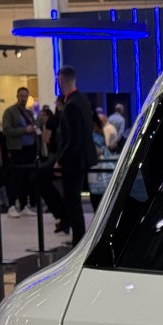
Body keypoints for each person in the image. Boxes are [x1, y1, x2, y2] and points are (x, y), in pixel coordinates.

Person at [38, 67, 97, 243]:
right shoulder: (83, 101)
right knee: (72, 199)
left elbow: (73, 139)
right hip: (80, 158)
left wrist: (61, 162)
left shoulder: (71, 105)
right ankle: (68, 224)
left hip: (73, 160)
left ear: (61, 81)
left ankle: (74, 233)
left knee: (72, 201)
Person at [2, 87, 37, 217]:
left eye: (25, 96)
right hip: (17, 149)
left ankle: (24, 205)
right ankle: (11, 205)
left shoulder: (28, 113)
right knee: (16, 178)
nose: (23, 98)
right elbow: (7, 131)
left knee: (26, 179)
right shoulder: (10, 112)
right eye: (21, 96)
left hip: (29, 149)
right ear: (17, 96)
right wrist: (24, 130)